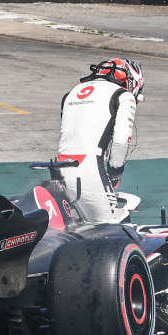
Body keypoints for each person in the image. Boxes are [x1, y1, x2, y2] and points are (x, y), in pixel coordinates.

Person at [57, 58, 143, 223]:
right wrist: (115, 173)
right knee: (112, 231)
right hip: (90, 170)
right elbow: (121, 140)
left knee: (76, 230)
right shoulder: (123, 95)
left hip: (60, 169)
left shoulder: (71, 93)